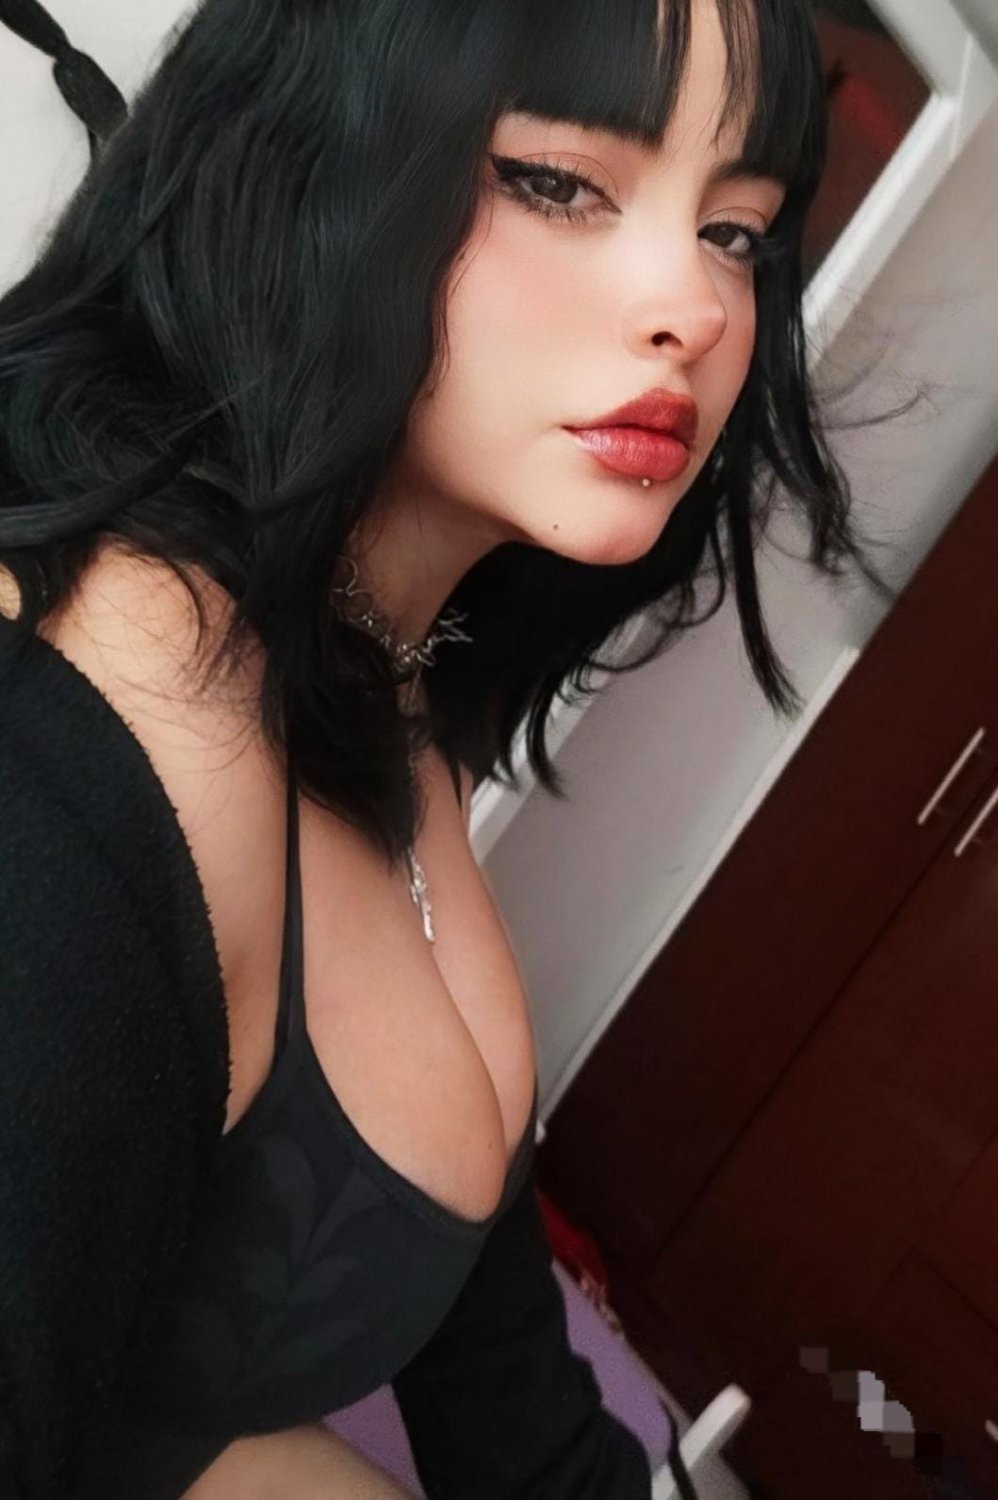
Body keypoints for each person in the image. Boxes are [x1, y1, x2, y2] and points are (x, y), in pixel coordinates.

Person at [0, 0, 867, 1495]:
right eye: (558, 182)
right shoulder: (108, 716)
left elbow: (506, 1395)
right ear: (309, 152)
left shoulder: (393, 682)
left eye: (735, 232)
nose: (698, 308)